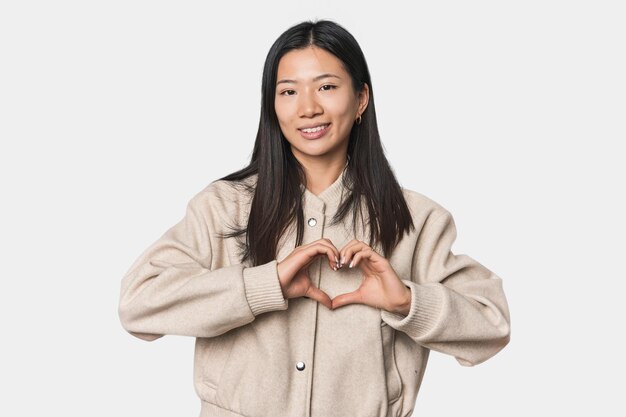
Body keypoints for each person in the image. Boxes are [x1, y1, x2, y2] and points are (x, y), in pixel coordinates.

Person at [118, 19, 511, 417]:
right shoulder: (225, 207)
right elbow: (138, 303)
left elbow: (492, 324)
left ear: (360, 99)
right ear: (272, 106)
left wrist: (407, 302)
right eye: (289, 91)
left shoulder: (414, 220)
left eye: (326, 87)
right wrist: (263, 285)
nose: (308, 108)